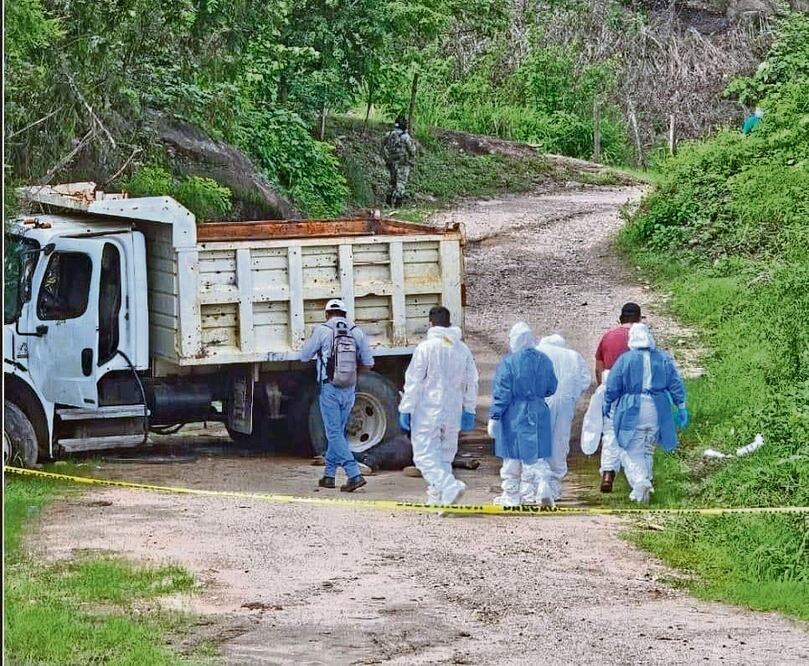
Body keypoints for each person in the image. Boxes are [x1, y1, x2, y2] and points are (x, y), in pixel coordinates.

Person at [398, 306, 479, 505]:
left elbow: (414, 381)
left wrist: (406, 408)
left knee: (424, 456)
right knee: (444, 455)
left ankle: (448, 486)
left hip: (428, 410)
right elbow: (471, 381)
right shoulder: (462, 348)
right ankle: (440, 499)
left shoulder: (426, 347)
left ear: (430, 323)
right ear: (449, 322)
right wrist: (469, 410)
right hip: (453, 410)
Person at [603, 323, 688, 504]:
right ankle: (645, 496)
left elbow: (613, 385)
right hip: (658, 408)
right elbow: (674, 383)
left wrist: (608, 402)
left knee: (629, 449)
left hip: (633, 407)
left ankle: (640, 481)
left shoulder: (625, 360)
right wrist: (681, 406)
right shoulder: (663, 359)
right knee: (648, 448)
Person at [299, 298, 375, 492]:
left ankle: (354, 474)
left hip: (330, 388)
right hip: (349, 388)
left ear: (327, 314)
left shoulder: (322, 330)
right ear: (345, 314)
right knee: (337, 433)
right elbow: (368, 362)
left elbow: (304, 356)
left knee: (333, 433)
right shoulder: (356, 331)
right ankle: (329, 476)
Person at [488, 323, 558, 507]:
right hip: (540, 410)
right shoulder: (544, 360)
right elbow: (552, 387)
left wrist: (494, 416)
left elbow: (502, 392)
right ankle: (543, 483)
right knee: (536, 453)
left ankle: (511, 496)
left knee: (512, 455)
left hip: (515, 412)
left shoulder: (509, 362)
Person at [585, 302, 642, 493]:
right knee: (635, 433)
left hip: (611, 387)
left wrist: (603, 386)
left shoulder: (608, 336)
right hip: (635, 390)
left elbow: (599, 366)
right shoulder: (642, 337)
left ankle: (608, 473)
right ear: (639, 319)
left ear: (620, 319)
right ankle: (638, 480)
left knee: (610, 431)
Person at [537, 334, 591, 500]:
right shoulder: (573, 355)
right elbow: (585, 381)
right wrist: (572, 394)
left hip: (540, 400)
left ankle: (540, 481)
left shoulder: (537, 352)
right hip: (565, 402)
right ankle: (553, 487)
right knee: (559, 441)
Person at [381, 115, 417, 207]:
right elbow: (412, 151)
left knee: (392, 182)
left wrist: (386, 157)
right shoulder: (405, 137)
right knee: (401, 183)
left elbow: (382, 146)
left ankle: (388, 202)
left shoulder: (389, 134)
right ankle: (398, 204)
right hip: (403, 163)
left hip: (391, 162)